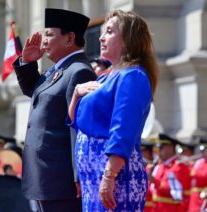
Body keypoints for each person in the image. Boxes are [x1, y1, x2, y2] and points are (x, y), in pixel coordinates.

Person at [68, 10, 159, 211]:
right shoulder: (105, 77)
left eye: (109, 31)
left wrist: (109, 176)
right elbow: (76, 123)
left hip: (115, 176)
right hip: (93, 177)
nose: (101, 37)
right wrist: (75, 94)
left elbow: (123, 130)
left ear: (128, 40)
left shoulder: (133, 76)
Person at [13, 8, 97, 212]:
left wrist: (79, 175)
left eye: (49, 35)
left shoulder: (79, 71)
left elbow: (78, 128)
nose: (44, 42)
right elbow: (35, 91)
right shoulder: (59, 70)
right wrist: (28, 62)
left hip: (62, 180)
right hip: (46, 178)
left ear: (69, 38)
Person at [149, 133, 191, 212]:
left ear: (170, 148)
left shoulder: (179, 167)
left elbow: (176, 192)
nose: (158, 152)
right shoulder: (160, 166)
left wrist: (155, 181)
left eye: (161, 148)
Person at [188, 137, 207, 212]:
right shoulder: (199, 162)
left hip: (203, 198)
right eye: (201, 150)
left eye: (204, 150)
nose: (202, 153)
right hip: (194, 199)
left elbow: (203, 176)